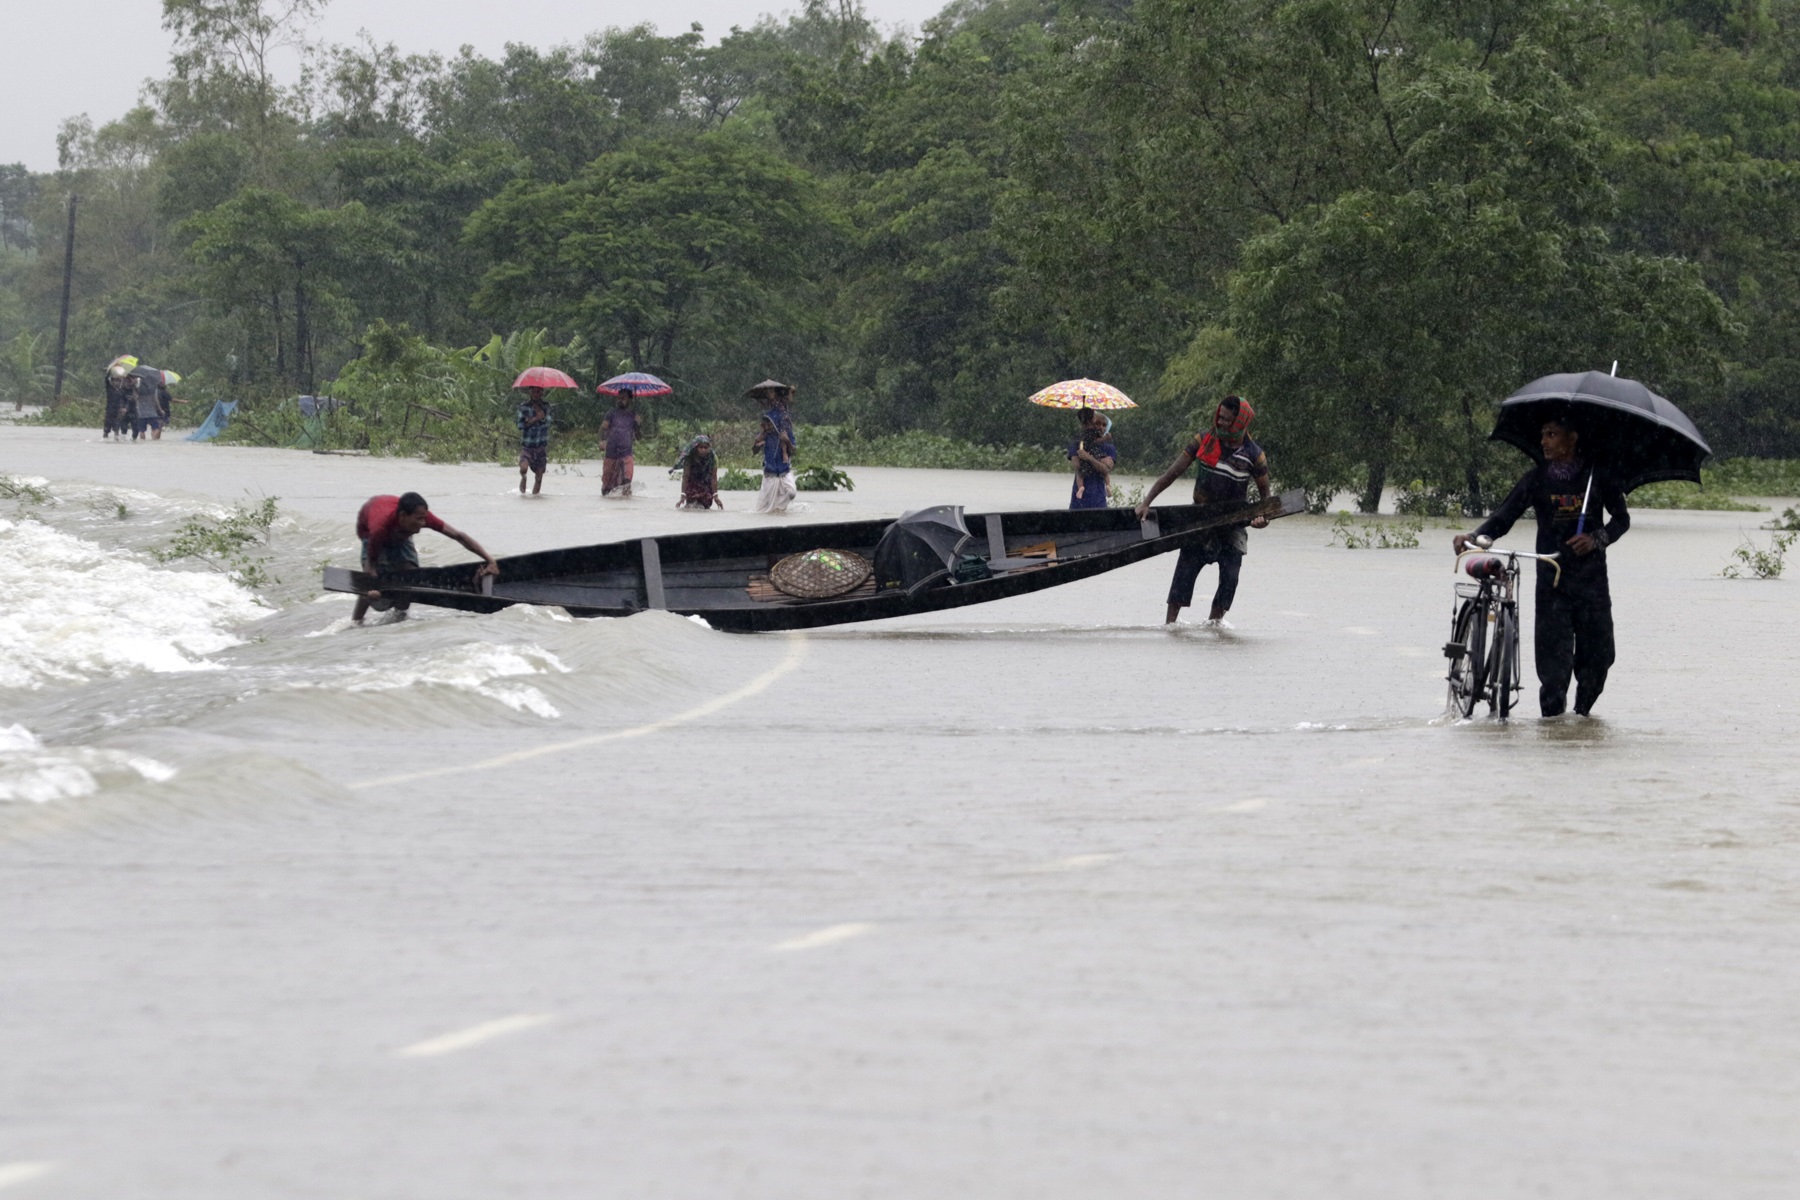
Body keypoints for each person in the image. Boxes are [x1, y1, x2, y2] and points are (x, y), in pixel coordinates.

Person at [1453, 411, 1629, 717]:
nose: (1544, 441)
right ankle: (1555, 728)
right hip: (1552, 582)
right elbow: (1503, 517)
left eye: (1552, 434)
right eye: (1543, 434)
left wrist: (1597, 539)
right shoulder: (1536, 479)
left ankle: (1582, 717)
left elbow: (1622, 520)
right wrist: (1476, 535)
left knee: (1599, 660)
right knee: (1553, 672)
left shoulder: (1597, 474)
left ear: (1572, 439)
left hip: (1592, 584)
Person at [1135, 395, 1271, 626]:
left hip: (1233, 523)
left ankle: (1214, 627)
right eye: (1220, 417)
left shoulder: (1254, 455)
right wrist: (1147, 501)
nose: (1221, 423)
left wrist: (1263, 519)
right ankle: (1171, 628)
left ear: (1240, 422)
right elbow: (1173, 472)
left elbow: (1265, 499)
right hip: (1199, 518)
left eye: (1228, 420)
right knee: (1184, 574)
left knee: (1230, 578)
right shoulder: (1204, 439)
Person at [351, 492, 500, 625]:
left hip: (400, 533)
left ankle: (398, 619)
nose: (423, 524)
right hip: (369, 531)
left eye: (424, 519)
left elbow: (458, 536)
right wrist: (371, 585)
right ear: (403, 516)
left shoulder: (421, 516)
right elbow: (370, 563)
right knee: (368, 588)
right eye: (419, 519)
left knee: (410, 576)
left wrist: (490, 560)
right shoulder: (379, 528)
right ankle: (356, 622)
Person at [1068, 408, 1117, 509]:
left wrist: (1089, 458)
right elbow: (1077, 465)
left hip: (1099, 502)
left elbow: (1106, 469)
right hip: (1078, 503)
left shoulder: (1109, 448)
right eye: (1098, 423)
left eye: (1104, 425)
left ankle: (1108, 488)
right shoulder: (1077, 444)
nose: (1100, 427)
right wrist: (1100, 461)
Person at [752, 412, 796, 514]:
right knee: (762, 510)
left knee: (791, 493)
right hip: (769, 474)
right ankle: (776, 512)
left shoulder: (786, 433)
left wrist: (787, 440)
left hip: (784, 472)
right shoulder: (764, 435)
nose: (767, 426)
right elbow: (754, 450)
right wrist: (759, 444)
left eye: (769, 423)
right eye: (766, 423)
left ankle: (779, 508)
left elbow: (794, 450)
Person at [600, 388, 641, 496]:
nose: (620, 400)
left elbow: (639, 436)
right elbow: (603, 428)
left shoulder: (633, 415)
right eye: (619, 397)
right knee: (606, 488)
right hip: (611, 453)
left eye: (623, 398)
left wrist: (638, 424)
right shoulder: (611, 413)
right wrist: (602, 440)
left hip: (626, 453)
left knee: (627, 481)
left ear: (629, 400)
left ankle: (625, 506)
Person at [671, 434, 724, 509]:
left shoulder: (713, 457)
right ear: (696, 448)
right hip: (692, 481)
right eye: (701, 447)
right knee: (691, 504)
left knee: (704, 505)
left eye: (705, 447)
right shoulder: (689, 456)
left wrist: (715, 496)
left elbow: (713, 477)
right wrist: (683, 495)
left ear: (709, 448)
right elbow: (686, 476)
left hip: (706, 482)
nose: (703, 450)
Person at [516, 387, 551, 495]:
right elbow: (520, 425)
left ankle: (535, 496)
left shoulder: (546, 406)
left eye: (539, 391)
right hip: (528, 445)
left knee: (539, 476)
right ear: (531, 392)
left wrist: (534, 419)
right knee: (523, 468)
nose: (537, 394)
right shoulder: (524, 407)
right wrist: (536, 418)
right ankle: (524, 478)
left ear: (542, 393)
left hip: (541, 446)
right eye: (535, 391)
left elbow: (548, 423)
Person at [103, 364, 132, 440]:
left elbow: (126, 401)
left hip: (118, 413)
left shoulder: (121, 391)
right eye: (115, 381)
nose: (117, 382)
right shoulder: (109, 390)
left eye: (118, 381)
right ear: (112, 381)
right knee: (106, 430)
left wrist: (125, 408)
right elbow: (106, 379)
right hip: (109, 412)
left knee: (117, 430)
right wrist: (110, 370)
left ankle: (117, 441)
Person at [130, 375, 164, 441]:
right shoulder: (153, 388)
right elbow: (156, 400)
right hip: (152, 413)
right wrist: (160, 409)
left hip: (141, 413)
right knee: (156, 428)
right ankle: (154, 440)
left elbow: (135, 398)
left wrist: (133, 388)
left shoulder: (138, 389)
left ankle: (143, 442)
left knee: (142, 431)